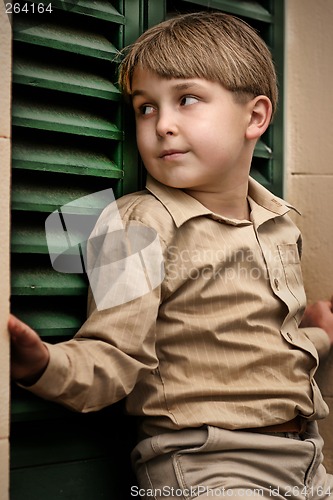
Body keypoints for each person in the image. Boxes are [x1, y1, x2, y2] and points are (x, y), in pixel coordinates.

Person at [8, 11, 333, 499]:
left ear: (256, 117)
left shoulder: (279, 223)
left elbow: (249, 343)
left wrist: (317, 337)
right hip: (205, 468)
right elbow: (113, 355)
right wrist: (40, 363)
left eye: (186, 99)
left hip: (306, 461)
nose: (162, 125)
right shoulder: (137, 223)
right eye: (145, 108)